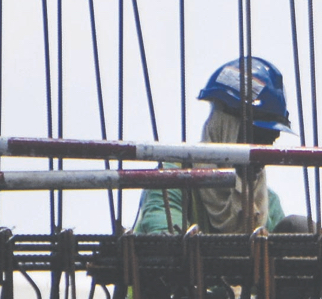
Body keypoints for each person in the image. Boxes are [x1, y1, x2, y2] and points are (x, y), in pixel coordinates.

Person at [133, 57, 312, 236]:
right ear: (224, 128)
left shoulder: (267, 203)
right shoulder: (173, 180)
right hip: (178, 264)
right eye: (256, 138)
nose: (261, 153)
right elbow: (163, 235)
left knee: (300, 229)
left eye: (269, 141)